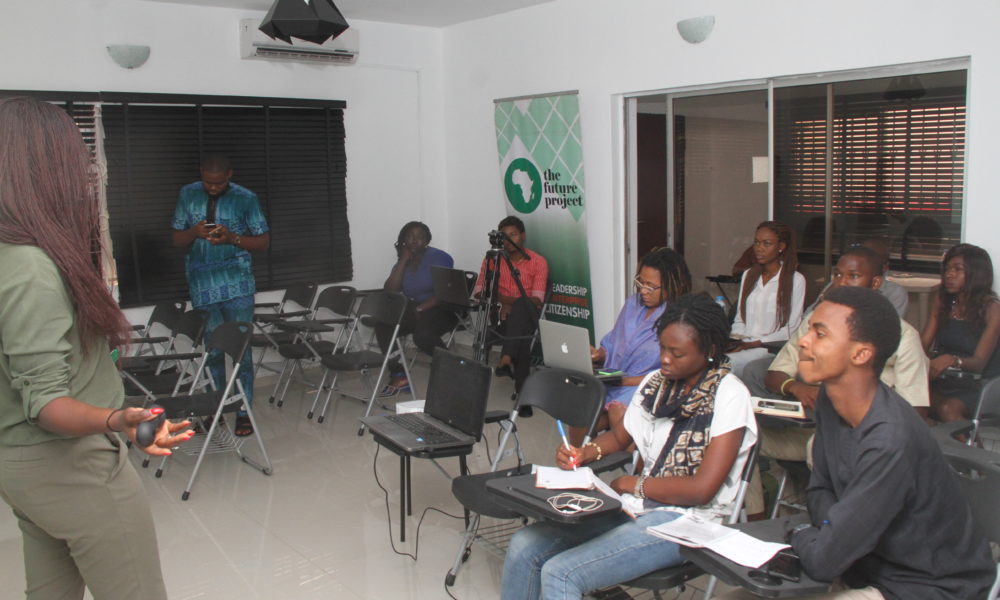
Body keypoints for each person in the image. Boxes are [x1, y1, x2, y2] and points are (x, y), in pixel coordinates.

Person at [0, 97, 194, 600]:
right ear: (44, 170)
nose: (87, 175)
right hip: (70, 464)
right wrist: (117, 420)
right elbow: (46, 404)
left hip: (21, 465)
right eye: (77, 160)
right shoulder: (30, 269)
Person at [722, 286, 995, 599]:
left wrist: (804, 533)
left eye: (820, 334)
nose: (803, 341)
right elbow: (819, 490)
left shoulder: (890, 439)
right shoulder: (831, 402)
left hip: (924, 587)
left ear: (861, 354)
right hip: (859, 564)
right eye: (809, 330)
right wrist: (834, 530)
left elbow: (823, 561)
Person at [500, 293, 757, 600]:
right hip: (635, 507)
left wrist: (633, 484)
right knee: (524, 545)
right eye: (662, 348)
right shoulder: (656, 383)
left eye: (677, 353)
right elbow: (621, 437)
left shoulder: (729, 395)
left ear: (710, 350)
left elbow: (702, 490)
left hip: (687, 521)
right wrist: (584, 453)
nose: (665, 359)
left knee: (561, 572)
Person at [740, 247, 930, 517]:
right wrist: (796, 387)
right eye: (838, 275)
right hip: (811, 428)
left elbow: (915, 412)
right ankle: (754, 525)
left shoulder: (902, 336)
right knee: (741, 435)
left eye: (853, 276)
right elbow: (775, 373)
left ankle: (834, 522)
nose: (841, 283)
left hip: (866, 439)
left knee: (824, 446)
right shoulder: (816, 323)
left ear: (876, 283)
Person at [171, 154, 269, 436]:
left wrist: (231, 238)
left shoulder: (246, 198)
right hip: (202, 287)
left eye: (218, 183)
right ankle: (215, 409)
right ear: (201, 173)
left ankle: (243, 411)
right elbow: (176, 239)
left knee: (241, 352)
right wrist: (194, 231)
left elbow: (263, 241)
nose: (213, 188)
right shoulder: (187, 194)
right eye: (208, 182)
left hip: (238, 285)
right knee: (212, 352)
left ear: (229, 175)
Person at [569, 247, 691, 444]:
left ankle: (631, 462)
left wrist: (625, 382)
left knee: (618, 410)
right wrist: (599, 354)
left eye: (651, 286)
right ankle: (577, 458)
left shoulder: (679, 318)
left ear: (672, 285)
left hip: (647, 385)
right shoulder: (633, 304)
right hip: (614, 378)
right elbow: (613, 342)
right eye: (641, 282)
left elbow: (673, 373)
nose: (643, 291)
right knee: (580, 409)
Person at [920, 243, 1000, 423]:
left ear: (976, 274)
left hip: (980, 384)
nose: (949, 274)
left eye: (958, 269)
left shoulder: (992, 309)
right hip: (944, 378)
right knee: (908, 399)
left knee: (948, 409)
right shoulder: (943, 301)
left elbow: (979, 363)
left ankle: (972, 443)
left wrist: (951, 360)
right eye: (947, 269)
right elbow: (923, 344)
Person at [377, 221, 456, 396]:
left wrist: (421, 309)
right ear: (404, 240)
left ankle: (452, 367)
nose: (414, 240)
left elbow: (444, 292)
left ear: (427, 240)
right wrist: (403, 260)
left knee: (422, 336)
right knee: (384, 324)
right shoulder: (403, 260)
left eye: (420, 237)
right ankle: (399, 374)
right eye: (410, 236)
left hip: (442, 308)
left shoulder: (440, 257)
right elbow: (390, 291)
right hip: (415, 308)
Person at [474, 215, 549, 395]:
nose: (509, 241)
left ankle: (507, 358)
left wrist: (508, 302)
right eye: (504, 236)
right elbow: (479, 292)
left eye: (513, 235)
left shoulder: (538, 262)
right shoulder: (493, 259)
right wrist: (503, 303)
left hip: (528, 316)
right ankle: (521, 393)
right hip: (500, 316)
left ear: (523, 235)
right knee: (522, 337)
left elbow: (537, 299)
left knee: (522, 308)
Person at [728, 221, 806, 377]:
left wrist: (754, 343)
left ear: (781, 247)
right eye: (757, 242)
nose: (759, 248)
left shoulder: (795, 280)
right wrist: (738, 340)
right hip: (745, 344)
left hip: (769, 348)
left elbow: (790, 329)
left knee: (726, 365)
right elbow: (740, 319)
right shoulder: (749, 275)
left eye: (767, 244)